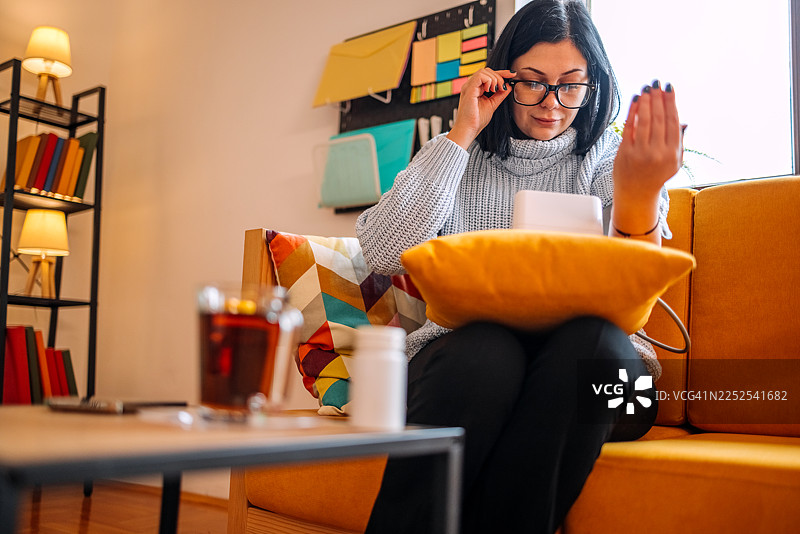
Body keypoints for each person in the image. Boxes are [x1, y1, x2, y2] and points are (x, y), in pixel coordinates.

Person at [355, 0, 683, 532]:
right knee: (487, 354)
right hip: (468, 366)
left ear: (593, 85)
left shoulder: (606, 158)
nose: (552, 105)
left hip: (608, 378)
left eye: (571, 85)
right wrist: (461, 135)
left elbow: (634, 293)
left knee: (593, 348)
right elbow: (387, 250)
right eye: (533, 83)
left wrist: (640, 193)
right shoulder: (458, 154)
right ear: (502, 77)